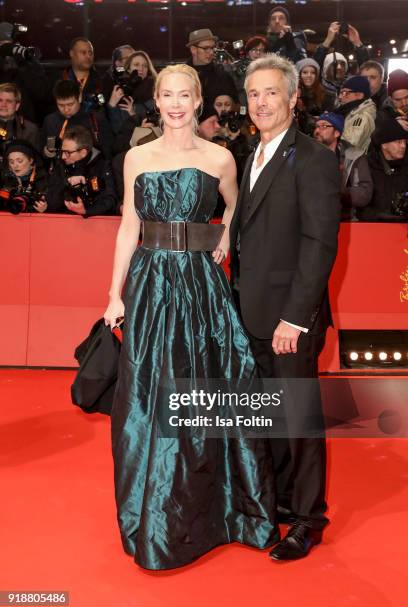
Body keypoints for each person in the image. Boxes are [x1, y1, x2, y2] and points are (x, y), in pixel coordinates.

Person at [103, 63, 278, 570]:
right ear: (155, 101)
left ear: (198, 100)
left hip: (201, 287)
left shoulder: (221, 157)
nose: (176, 104)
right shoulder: (136, 156)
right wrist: (114, 293)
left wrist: (223, 236)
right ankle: (154, 514)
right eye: (167, 95)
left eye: (185, 95)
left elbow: (240, 204)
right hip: (151, 285)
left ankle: (215, 510)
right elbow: (126, 228)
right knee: (148, 395)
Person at [230, 54, 341, 561]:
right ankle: (276, 503)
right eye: (254, 93)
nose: (261, 101)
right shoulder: (248, 154)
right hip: (250, 311)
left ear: (294, 98)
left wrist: (295, 318)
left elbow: (319, 243)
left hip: (289, 317)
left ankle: (308, 519)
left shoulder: (314, 159)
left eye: (271, 92)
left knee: (298, 418)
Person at [46, 125, 116, 217]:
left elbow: (110, 201)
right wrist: (67, 184)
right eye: (62, 151)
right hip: (63, 222)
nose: (63, 156)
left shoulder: (103, 167)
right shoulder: (61, 166)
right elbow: (51, 201)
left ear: (83, 152)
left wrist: (86, 210)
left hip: (94, 225)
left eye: (68, 152)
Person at [313, 112, 372, 220]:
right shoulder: (305, 155)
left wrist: (340, 192)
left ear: (337, 133)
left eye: (324, 126)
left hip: (344, 220)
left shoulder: (354, 157)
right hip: (312, 218)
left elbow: (365, 193)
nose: (317, 131)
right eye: (317, 126)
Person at [358, 118, 408, 221]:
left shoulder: (406, 167)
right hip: (372, 229)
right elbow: (358, 207)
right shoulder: (366, 166)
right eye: (398, 142)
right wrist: (381, 217)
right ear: (384, 144)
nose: (403, 146)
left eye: (404, 141)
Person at [0, 140, 47, 213]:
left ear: (31, 160)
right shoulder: (5, 181)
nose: (15, 166)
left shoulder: (43, 179)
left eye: (20, 161)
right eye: (11, 162)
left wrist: (45, 209)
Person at [337, 75, 376, 153]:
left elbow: (350, 145)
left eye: (345, 93)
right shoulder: (352, 112)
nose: (340, 96)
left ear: (359, 95)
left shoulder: (362, 117)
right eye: (340, 92)